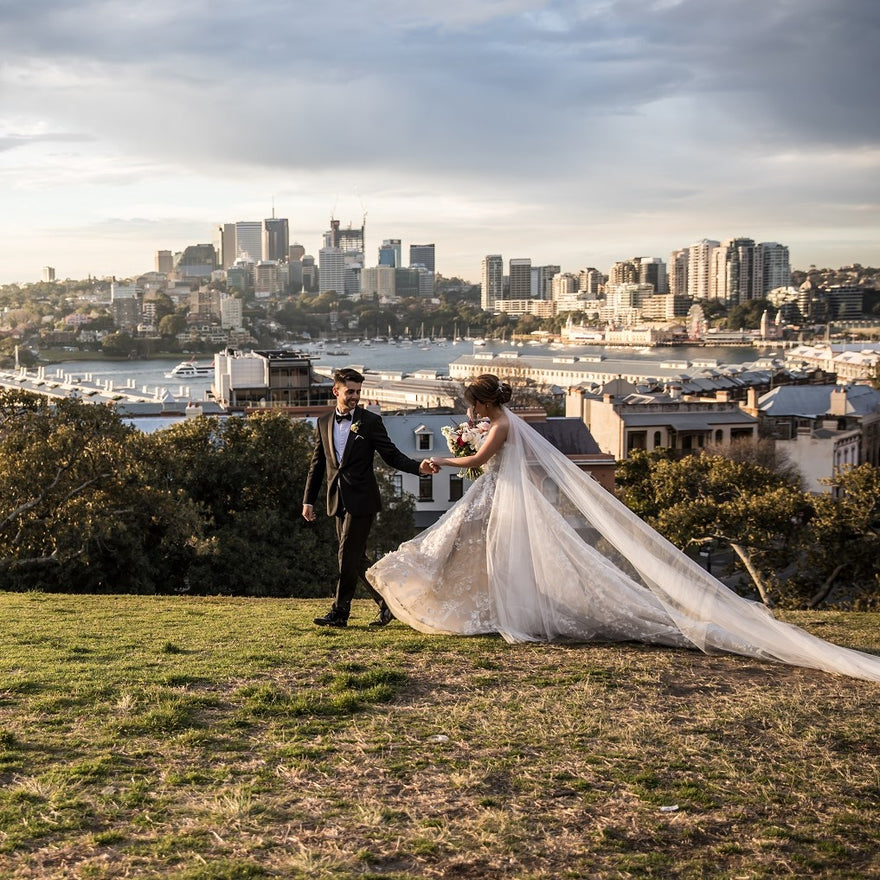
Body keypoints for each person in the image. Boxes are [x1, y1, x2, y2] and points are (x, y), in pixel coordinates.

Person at [367, 374, 880, 682]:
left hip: (498, 496)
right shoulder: (504, 421)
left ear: (481, 403)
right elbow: (486, 458)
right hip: (498, 496)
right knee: (467, 547)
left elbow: (481, 458)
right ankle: (471, 604)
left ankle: (463, 602)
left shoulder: (499, 425)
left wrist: (444, 459)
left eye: (469, 403)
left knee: (462, 545)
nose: (467, 409)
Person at [303, 367, 439, 628]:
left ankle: (340, 613)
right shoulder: (323, 423)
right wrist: (308, 500)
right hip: (337, 500)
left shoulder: (370, 422)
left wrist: (419, 467)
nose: (355, 396)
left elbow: (391, 455)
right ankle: (386, 604)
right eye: (349, 391)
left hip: (362, 500)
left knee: (346, 556)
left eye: (358, 391)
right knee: (356, 559)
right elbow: (317, 464)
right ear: (336, 391)